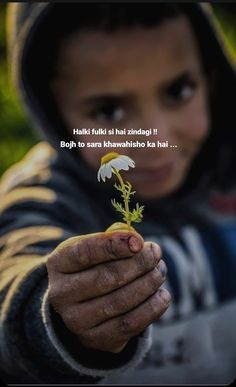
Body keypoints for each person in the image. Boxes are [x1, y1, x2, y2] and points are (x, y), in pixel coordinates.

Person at [0, 2, 236, 384]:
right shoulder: (46, 197)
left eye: (179, 91)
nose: (156, 140)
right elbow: (13, 270)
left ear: (210, 77)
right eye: (108, 112)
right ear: (54, 114)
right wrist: (55, 315)